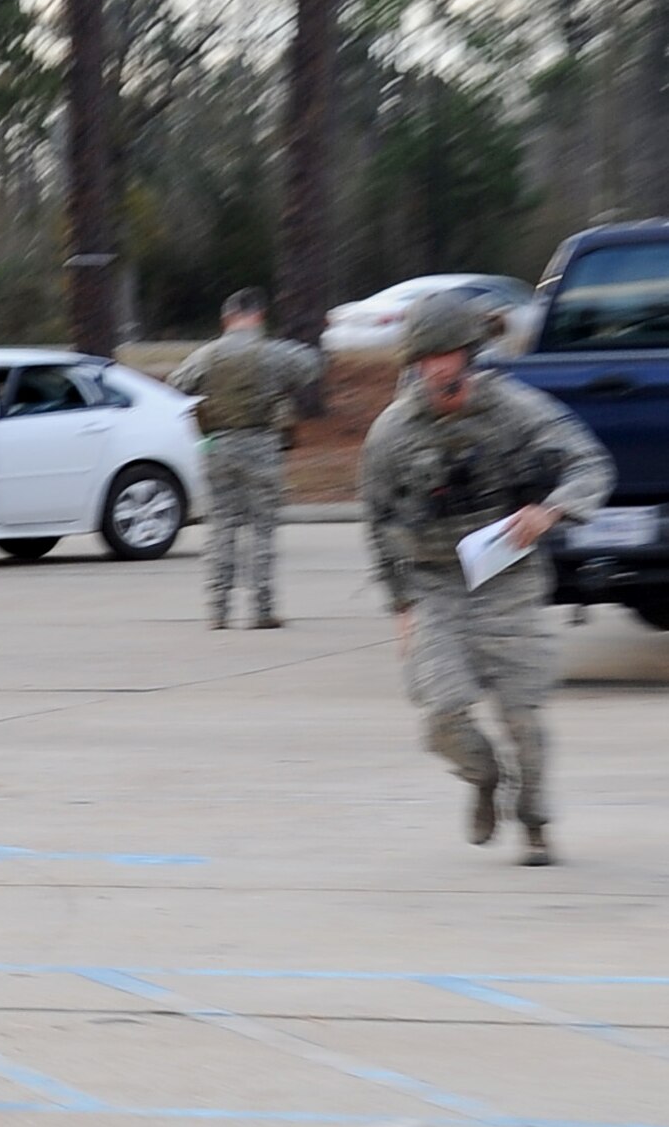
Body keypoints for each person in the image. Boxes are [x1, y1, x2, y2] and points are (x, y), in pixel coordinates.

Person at [360, 290, 614, 866]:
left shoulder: (516, 410)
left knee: (522, 712)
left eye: (446, 356)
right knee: (442, 712)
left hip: (507, 575)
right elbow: (377, 518)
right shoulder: (393, 432)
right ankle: (484, 778)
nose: (435, 370)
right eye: (424, 360)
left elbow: (588, 464)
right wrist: (400, 604)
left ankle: (533, 818)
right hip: (433, 582)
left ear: (469, 355)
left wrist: (550, 510)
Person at [166, 289, 320, 629]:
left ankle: (217, 610)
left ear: (226, 320)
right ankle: (262, 609)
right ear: (260, 317)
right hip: (262, 447)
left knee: (221, 529)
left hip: (218, 447)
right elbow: (310, 366)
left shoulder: (206, 356)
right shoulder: (272, 353)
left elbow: (177, 384)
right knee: (262, 530)